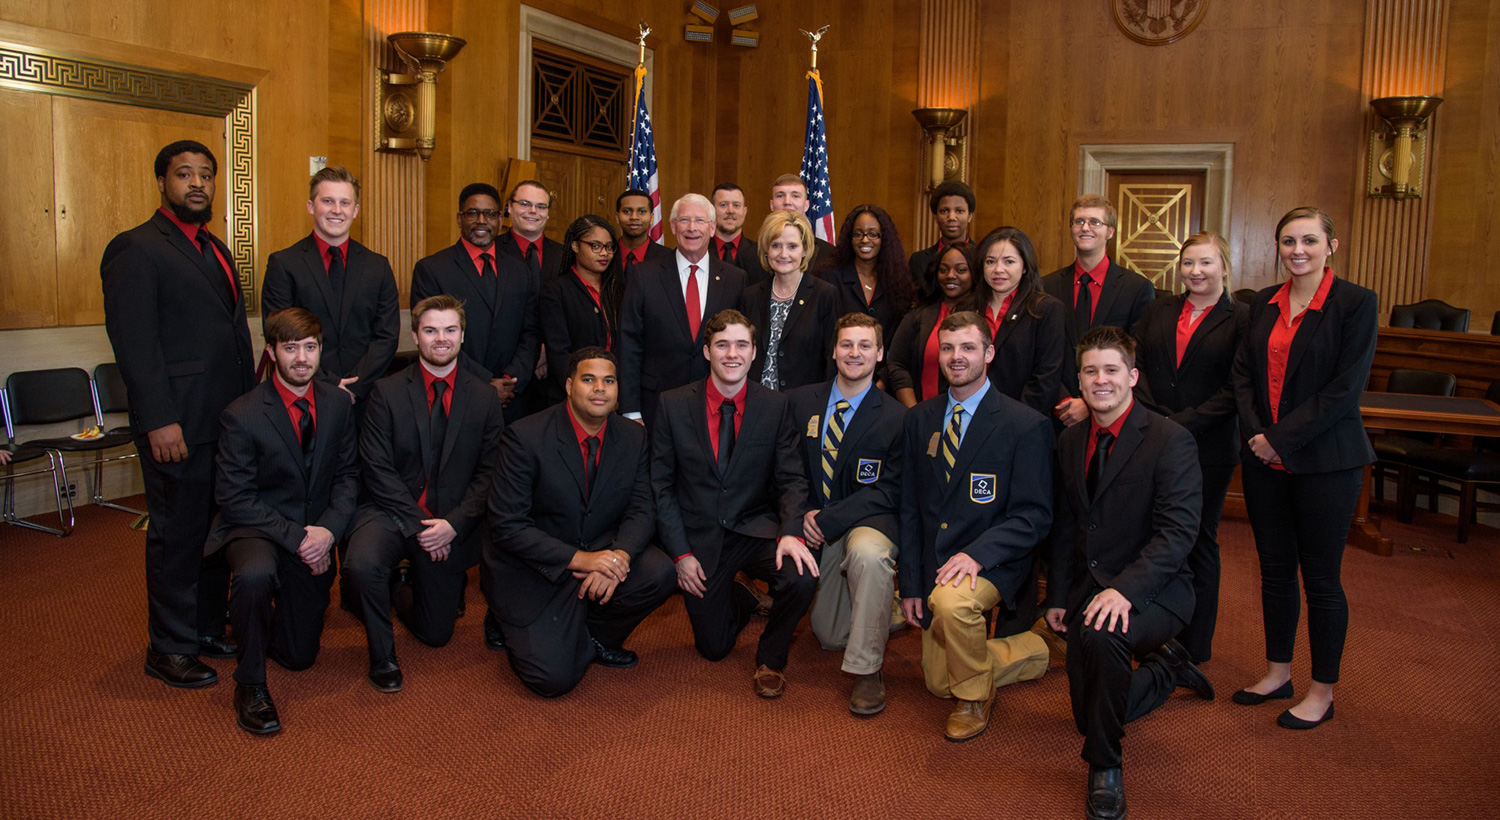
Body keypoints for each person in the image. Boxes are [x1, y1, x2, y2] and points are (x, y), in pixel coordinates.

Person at [101, 139, 255, 688]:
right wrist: (159, 419)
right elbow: (135, 346)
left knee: (216, 529)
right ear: (161, 182)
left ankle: (206, 628)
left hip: (224, 421)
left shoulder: (216, 248)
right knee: (177, 534)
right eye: (184, 174)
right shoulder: (136, 249)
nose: (197, 183)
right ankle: (167, 648)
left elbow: (232, 336)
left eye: (206, 175)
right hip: (177, 425)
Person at [1043, 325, 1212, 820]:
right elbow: (1067, 526)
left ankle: (1105, 767)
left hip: (1159, 590)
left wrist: (1124, 591)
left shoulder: (1170, 441)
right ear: (1079, 378)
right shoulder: (1072, 441)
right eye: (1090, 371)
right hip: (1090, 586)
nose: (1100, 380)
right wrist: (1057, 595)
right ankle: (1165, 671)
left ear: (1132, 376)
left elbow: (1178, 535)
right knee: (1085, 713)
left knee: (1102, 636)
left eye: (1111, 370)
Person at [1231, 207, 1377, 730]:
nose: (1298, 249)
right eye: (1289, 240)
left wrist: (1279, 440)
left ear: (1330, 246)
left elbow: (1344, 390)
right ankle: (1277, 673)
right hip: (1264, 460)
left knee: (1320, 579)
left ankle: (1322, 690)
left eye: (1309, 240)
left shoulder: (1356, 303)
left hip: (1327, 463)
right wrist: (1259, 439)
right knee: (1273, 573)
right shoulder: (1261, 306)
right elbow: (1243, 377)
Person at [897, 311, 1054, 742]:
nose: (956, 357)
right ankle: (1036, 648)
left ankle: (974, 697)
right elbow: (910, 508)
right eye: (947, 348)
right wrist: (910, 584)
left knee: (952, 606)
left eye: (968, 347)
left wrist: (978, 554)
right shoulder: (920, 419)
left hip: (995, 560)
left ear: (988, 353)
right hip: (936, 562)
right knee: (936, 682)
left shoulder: (1025, 425)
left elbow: (1034, 515)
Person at [485, 348, 675, 697]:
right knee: (552, 680)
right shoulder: (524, 437)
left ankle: (594, 635)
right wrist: (581, 559)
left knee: (660, 572)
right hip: (536, 570)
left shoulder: (634, 437)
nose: (599, 389)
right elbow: (507, 525)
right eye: (589, 380)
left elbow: (641, 509)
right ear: (569, 385)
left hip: (600, 552)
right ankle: (510, 621)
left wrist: (617, 558)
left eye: (609, 381)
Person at [206, 308, 359, 734]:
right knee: (255, 576)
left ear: (320, 350)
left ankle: (256, 622)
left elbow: (348, 476)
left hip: (315, 528)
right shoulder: (242, 413)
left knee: (300, 657)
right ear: (271, 352)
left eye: (310, 347)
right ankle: (250, 684)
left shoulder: (336, 403)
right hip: (257, 526)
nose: (301, 358)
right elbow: (234, 498)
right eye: (290, 348)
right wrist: (299, 539)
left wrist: (328, 531)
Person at [342, 296, 505, 693]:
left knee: (436, 635)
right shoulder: (386, 392)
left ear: (463, 335)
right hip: (392, 512)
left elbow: (490, 473)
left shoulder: (484, 396)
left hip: (450, 520)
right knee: (361, 565)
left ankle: (401, 586)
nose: (441, 339)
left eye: (450, 330)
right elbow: (377, 469)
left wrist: (452, 525)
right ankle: (382, 656)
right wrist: (420, 526)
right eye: (430, 330)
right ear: (415, 335)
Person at [651, 309, 816, 698]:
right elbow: (660, 487)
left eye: (742, 345)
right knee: (714, 649)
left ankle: (772, 659)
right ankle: (742, 596)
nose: (732, 354)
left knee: (802, 575)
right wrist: (679, 555)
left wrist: (791, 533)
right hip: (700, 538)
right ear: (707, 351)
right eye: (722, 344)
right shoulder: (673, 405)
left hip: (754, 527)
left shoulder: (775, 406)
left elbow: (792, 479)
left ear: (754, 351)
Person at [1132, 231, 1248, 664]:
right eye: (1188, 264)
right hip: (1152, 438)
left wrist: (1180, 424)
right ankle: (1152, 631)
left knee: (1198, 540)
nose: (1195, 272)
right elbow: (1135, 365)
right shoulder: (1158, 308)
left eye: (1205, 263)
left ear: (1224, 267)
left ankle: (1194, 645)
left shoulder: (1242, 318)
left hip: (1209, 446)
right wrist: (1155, 415)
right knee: (1151, 535)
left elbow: (1237, 387)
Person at [787, 314, 906, 715]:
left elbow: (889, 488)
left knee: (869, 556)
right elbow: (787, 469)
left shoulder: (896, 418)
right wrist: (804, 513)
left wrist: (828, 518)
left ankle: (867, 671)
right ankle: (884, 606)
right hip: (816, 524)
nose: (855, 353)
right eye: (847, 345)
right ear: (833, 350)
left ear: (880, 353)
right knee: (830, 634)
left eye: (865, 345)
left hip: (867, 523)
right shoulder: (800, 402)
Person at [260, 165, 399, 409]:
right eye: (327, 201)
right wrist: (330, 384)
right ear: (311, 207)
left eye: (345, 203)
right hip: (305, 395)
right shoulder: (283, 264)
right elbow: (279, 333)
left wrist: (355, 387)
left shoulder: (378, 266)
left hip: (365, 399)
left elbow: (387, 336)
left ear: (355, 210)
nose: (337, 210)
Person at [410, 182, 541, 420]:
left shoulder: (521, 270)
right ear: (460, 219)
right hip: (458, 395)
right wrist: (484, 383)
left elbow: (530, 332)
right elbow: (432, 337)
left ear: (501, 221)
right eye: (473, 213)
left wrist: (511, 379)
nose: (482, 220)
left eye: (490, 214)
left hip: (513, 400)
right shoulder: (432, 269)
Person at [617, 193, 746, 427]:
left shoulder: (735, 279)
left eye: (699, 221)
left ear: (712, 227)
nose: (692, 228)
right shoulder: (644, 275)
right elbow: (629, 344)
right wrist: (630, 410)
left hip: (716, 406)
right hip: (654, 405)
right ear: (673, 226)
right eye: (684, 220)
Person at [1042, 194, 1156, 428]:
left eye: (1095, 222)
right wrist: (1064, 400)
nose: (1085, 228)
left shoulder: (1137, 289)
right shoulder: (1046, 286)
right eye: (1079, 221)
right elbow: (1041, 351)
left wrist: (1088, 401)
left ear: (1110, 232)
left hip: (1112, 412)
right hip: (1056, 412)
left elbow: (1137, 357)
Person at [966, 226, 1067, 417]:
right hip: (969, 416)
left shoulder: (1046, 309)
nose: (998, 269)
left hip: (1022, 421)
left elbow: (1045, 379)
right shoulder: (967, 308)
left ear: (1025, 267)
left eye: (1009, 261)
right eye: (990, 261)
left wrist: (1013, 422)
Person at [739, 211, 838, 392]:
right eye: (776, 245)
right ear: (766, 250)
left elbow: (831, 358)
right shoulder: (750, 296)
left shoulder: (824, 294)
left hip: (804, 403)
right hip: (757, 402)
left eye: (792, 246)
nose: (783, 254)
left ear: (805, 250)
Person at [539, 214, 625, 406]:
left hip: (613, 396)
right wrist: (582, 393)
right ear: (575, 246)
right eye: (595, 246)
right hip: (570, 399)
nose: (604, 253)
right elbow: (558, 352)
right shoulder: (556, 291)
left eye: (609, 247)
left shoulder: (618, 291)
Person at [818, 205, 916, 360]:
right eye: (858, 234)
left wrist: (883, 381)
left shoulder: (898, 280)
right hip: (840, 373)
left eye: (873, 234)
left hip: (885, 377)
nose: (865, 240)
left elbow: (900, 340)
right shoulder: (829, 277)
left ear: (884, 238)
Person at [886, 241, 976, 407]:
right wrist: (915, 413)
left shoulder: (983, 313)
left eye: (961, 270)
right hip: (920, 412)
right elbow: (896, 363)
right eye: (943, 270)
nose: (950, 275)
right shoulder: (920, 313)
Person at [908, 181, 975, 304]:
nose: (951, 217)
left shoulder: (980, 257)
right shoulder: (918, 260)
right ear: (935, 217)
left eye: (959, 211)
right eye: (944, 211)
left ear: (970, 216)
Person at [498, 179, 565, 281]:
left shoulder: (563, 255)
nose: (533, 211)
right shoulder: (493, 248)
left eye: (541, 206)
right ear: (510, 207)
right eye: (525, 204)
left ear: (547, 213)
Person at [768, 173, 834, 271]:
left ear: (806, 205)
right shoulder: (750, 256)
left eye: (795, 196)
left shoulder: (829, 254)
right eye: (780, 195)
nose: (787, 202)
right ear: (772, 205)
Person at [711, 182, 767, 286]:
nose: (730, 211)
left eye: (736, 205)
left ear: (744, 211)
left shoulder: (761, 255)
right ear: (712, 210)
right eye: (723, 205)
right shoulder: (700, 252)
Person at [616, 188, 672, 271]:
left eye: (642, 212)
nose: (634, 217)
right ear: (617, 217)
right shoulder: (605, 254)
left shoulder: (668, 258)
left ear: (651, 218)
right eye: (627, 211)